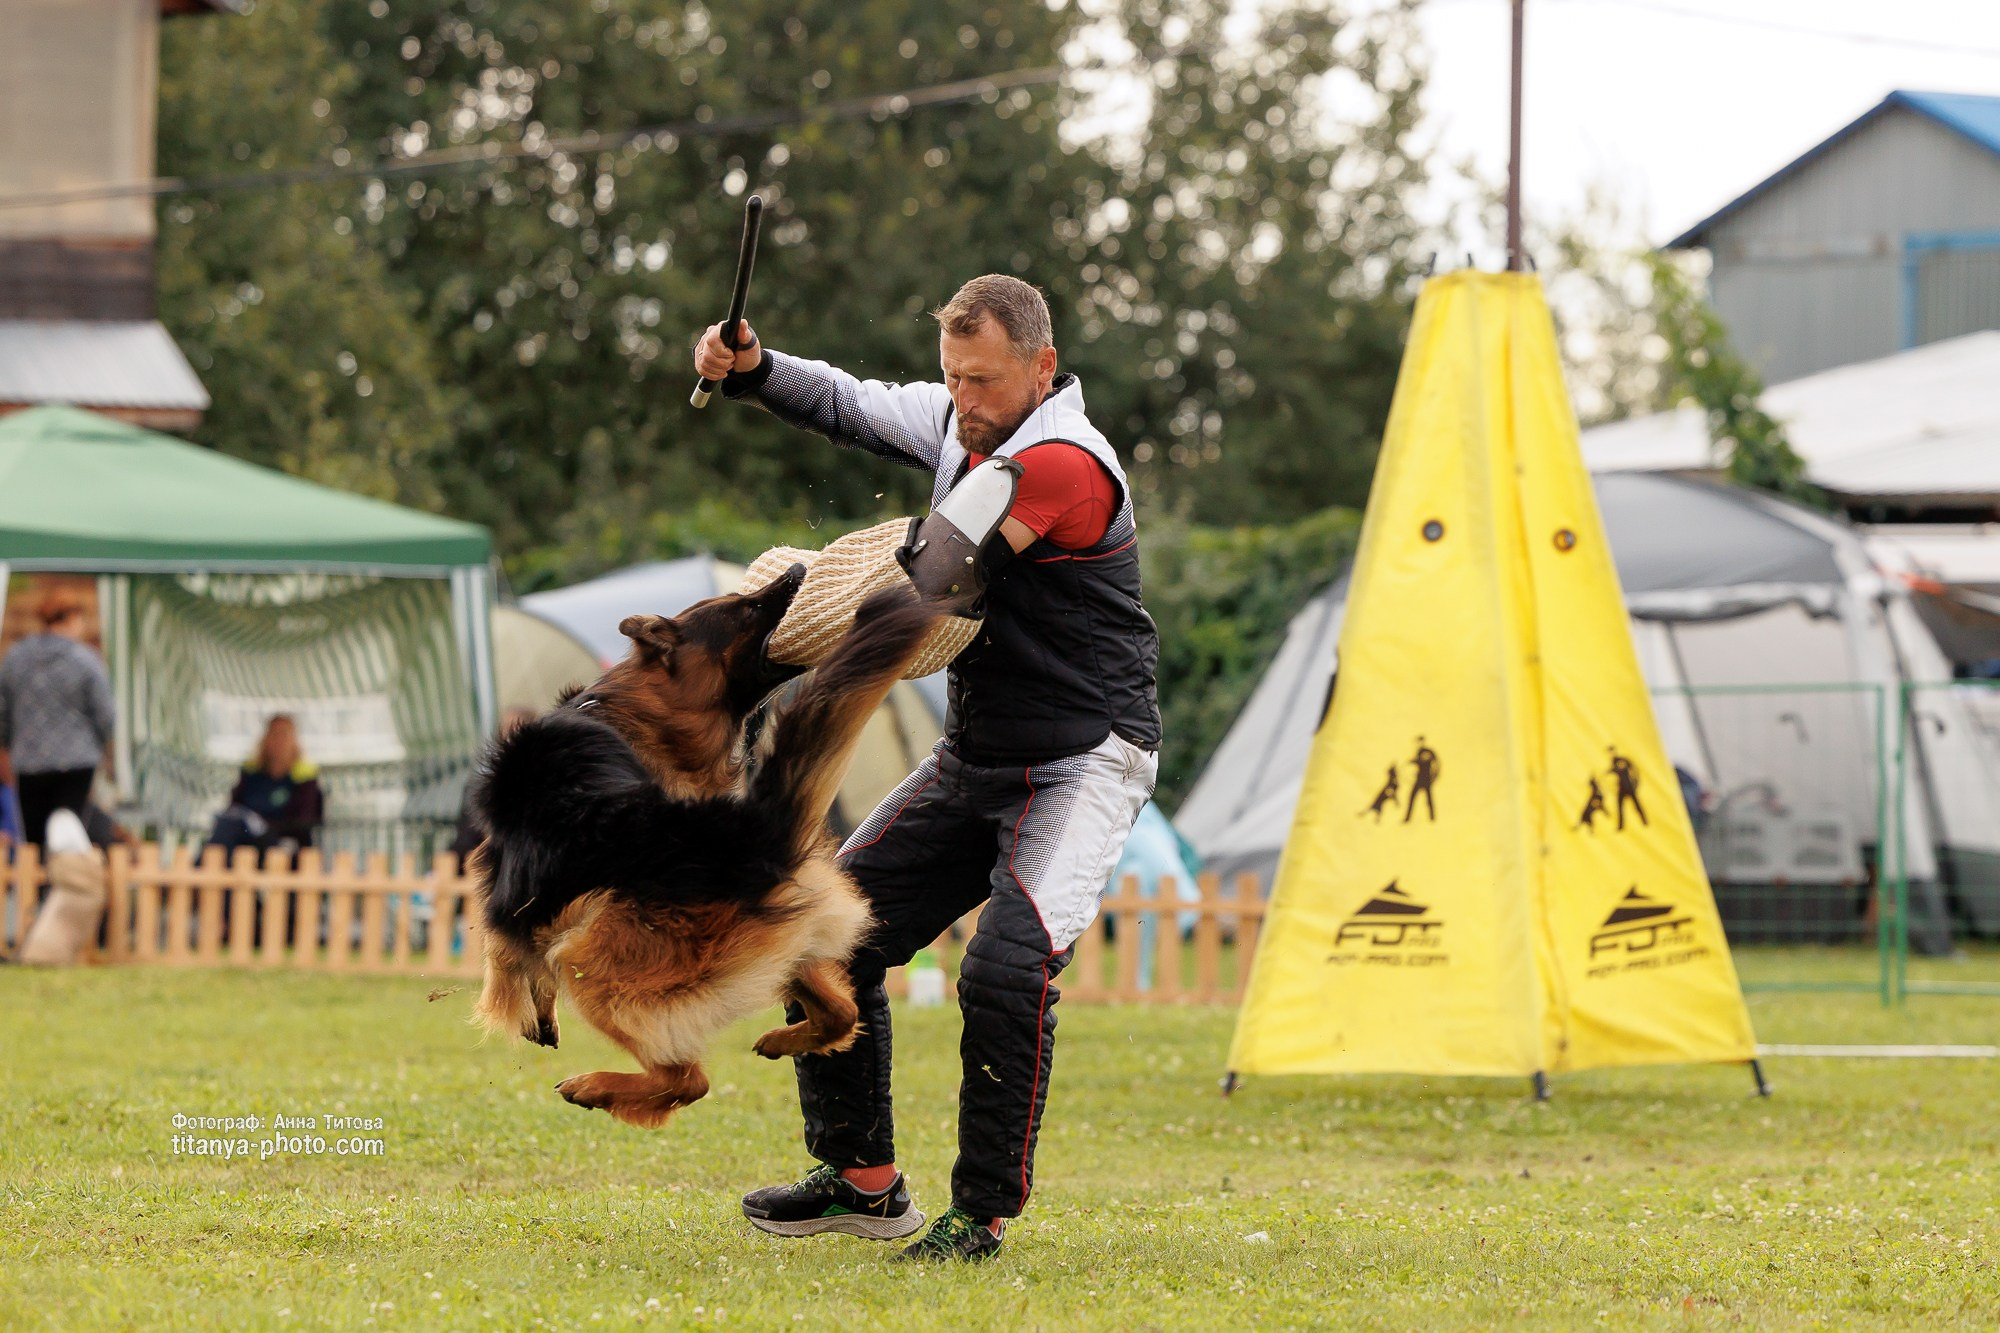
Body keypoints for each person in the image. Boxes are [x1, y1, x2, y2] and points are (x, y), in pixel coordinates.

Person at [693, 274, 1161, 1262]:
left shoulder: (1066, 464)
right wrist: (756, 368)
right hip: (974, 757)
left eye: (983, 381)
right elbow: (852, 403)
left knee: (1002, 971)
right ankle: (861, 1183)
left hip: (1081, 761)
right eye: (951, 379)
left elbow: (937, 578)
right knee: (820, 938)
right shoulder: (960, 418)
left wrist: (782, 617)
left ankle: (979, 1215)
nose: (964, 402)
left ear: (1041, 368)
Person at [0, 589, 116, 849]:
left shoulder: (16, 658)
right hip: (76, 763)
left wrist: (7, 747)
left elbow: (3, 712)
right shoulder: (85, 660)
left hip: (29, 762)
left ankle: (36, 888)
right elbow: (105, 715)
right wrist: (102, 746)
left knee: (34, 840)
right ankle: (62, 887)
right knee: (68, 837)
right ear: (72, 619)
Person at [207, 715, 324, 857]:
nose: (279, 741)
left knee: (230, 832)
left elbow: (304, 821)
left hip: (283, 843)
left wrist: (261, 824)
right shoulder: (251, 773)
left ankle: (198, 872)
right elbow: (235, 808)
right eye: (274, 734)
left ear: (294, 741)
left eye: (284, 735)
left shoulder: (305, 778)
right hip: (247, 841)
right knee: (229, 827)